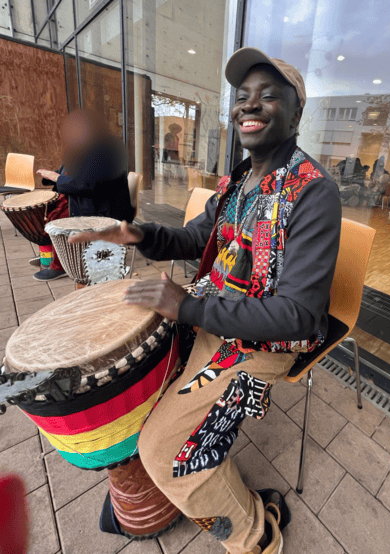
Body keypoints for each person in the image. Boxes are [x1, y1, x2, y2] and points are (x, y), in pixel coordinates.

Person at [70, 47, 341, 554]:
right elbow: (195, 237)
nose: (250, 106)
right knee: (132, 377)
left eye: (268, 96)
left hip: (261, 344)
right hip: (213, 318)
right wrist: (136, 233)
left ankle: (254, 533)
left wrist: (187, 306)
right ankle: (204, 480)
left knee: (163, 450)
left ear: (297, 113)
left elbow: (299, 315)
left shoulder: (314, 193)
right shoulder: (239, 179)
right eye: (242, 98)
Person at [34, 109, 134, 281]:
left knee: (57, 219)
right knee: (50, 213)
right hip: (90, 204)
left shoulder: (104, 150)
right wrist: (51, 177)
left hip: (104, 211)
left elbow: (88, 186)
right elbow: (66, 172)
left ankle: (61, 263)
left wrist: (58, 179)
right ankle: (60, 257)